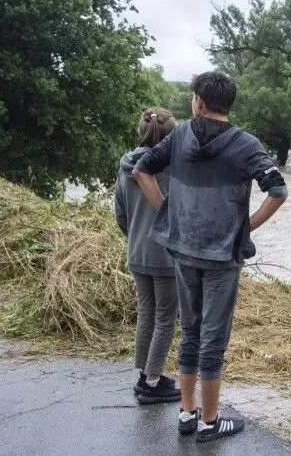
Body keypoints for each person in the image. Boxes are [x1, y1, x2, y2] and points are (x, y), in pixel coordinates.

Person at [132, 72, 288, 442]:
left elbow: (141, 171)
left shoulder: (181, 134)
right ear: (225, 103)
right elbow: (278, 191)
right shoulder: (247, 144)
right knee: (213, 338)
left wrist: (167, 213)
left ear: (199, 101)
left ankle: (187, 414)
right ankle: (209, 421)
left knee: (190, 332)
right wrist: (245, 228)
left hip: (183, 251)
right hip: (222, 257)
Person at [114, 107, 181, 405]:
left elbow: (120, 211)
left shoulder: (125, 163)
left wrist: (134, 237)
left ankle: (144, 374)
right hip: (166, 253)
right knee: (166, 316)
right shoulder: (172, 166)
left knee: (147, 312)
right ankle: (153, 381)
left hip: (137, 249)